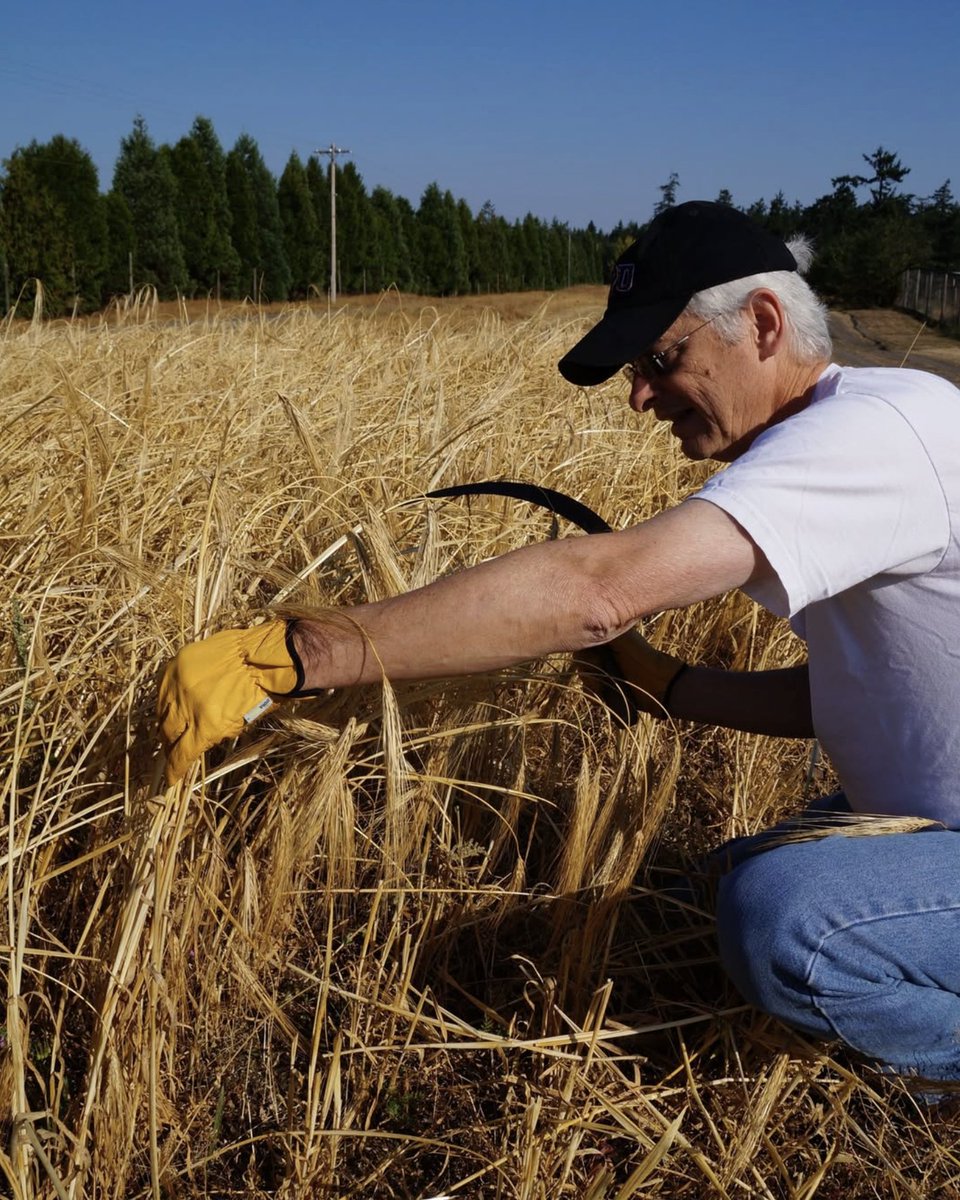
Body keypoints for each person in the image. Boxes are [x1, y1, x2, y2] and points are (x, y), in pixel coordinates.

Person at [158, 200, 960, 1090]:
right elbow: (876, 694)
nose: (640, 395)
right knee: (715, 885)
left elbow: (597, 591)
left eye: (661, 358)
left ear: (763, 324)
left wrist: (299, 654)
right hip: (929, 820)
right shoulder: (864, 431)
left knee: (784, 919)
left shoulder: (869, 437)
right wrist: (674, 688)